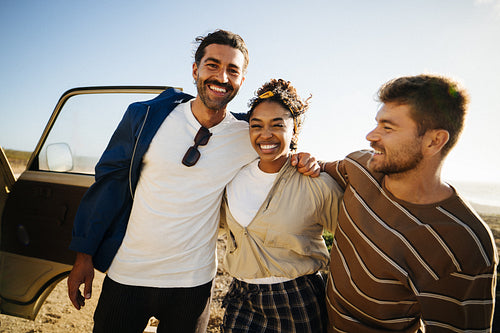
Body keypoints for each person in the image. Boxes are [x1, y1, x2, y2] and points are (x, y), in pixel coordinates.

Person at [66, 30, 319, 333]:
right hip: (128, 274)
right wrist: (84, 254)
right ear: (195, 69)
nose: (222, 77)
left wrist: (306, 158)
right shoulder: (146, 117)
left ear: (242, 78)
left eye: (233, 70)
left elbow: (276, 146)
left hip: (193, 285)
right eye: (212, 65)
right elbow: (108, 185)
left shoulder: (246, 132)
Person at [323, 74, 498, 332]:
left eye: (388, 127)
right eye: (377, 124)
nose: (371, 136)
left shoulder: (464, 244)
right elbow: (313, 168)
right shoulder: (359, 167)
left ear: (433, 141)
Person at [220, 79, 343, 333]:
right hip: (241, 299)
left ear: (294, 131)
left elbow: (351, 243)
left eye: (277, 125)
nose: (265, 134)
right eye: (257, 126)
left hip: (298, 301)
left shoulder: (316, 183)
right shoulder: (231, 176)